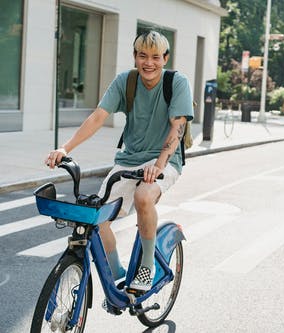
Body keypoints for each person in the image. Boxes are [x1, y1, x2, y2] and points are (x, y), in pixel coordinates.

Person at [45, 31, 194, 293]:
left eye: (156, 57)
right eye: (143, 56)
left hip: (165, 160)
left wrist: (158, 166)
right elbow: (97, 117)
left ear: (165, 58)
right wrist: (64, 147)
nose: (149, 63)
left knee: (144, 196)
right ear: (135, 57)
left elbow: (177, 129)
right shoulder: (126, 82)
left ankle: (147, 265)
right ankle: (116, 274)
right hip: (129, 159)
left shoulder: (177, 83)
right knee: (97, 218)